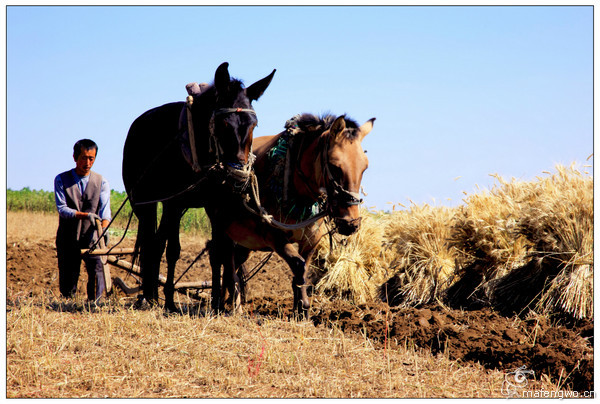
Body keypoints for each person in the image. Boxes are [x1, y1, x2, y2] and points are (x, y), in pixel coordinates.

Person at [54, 139, 111, 302]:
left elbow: (105, 212)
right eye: (83, 158)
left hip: (91, 235)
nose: (87, 162)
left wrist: (104, 230)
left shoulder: (102, 182)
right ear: (75, 157)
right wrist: (86, 215)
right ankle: (68, 304)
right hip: (68, 234)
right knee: (68, 274)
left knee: (97, 268)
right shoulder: (61, 179)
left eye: (91, 158)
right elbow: (62, 209)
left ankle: (96, 302)